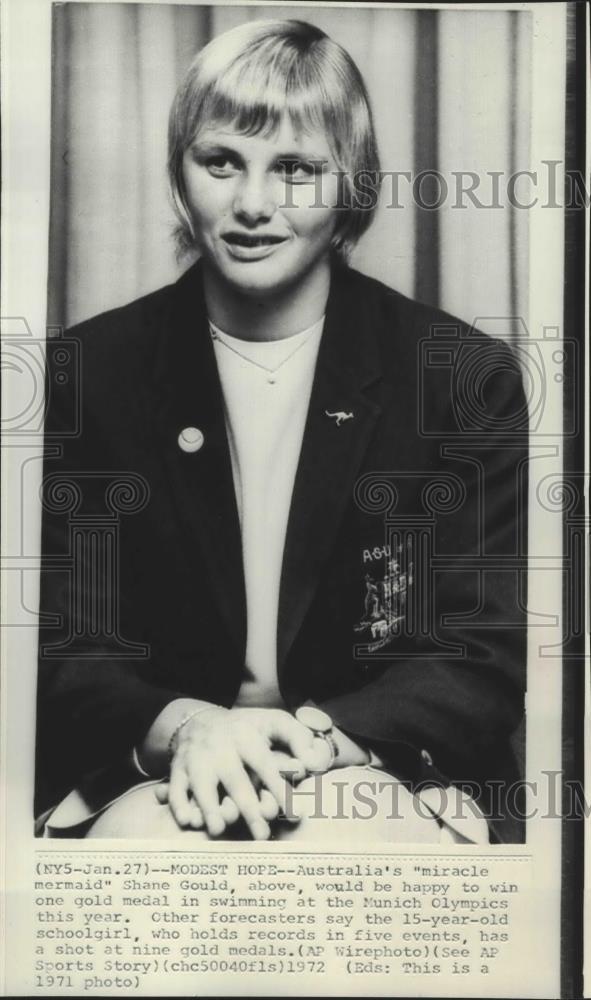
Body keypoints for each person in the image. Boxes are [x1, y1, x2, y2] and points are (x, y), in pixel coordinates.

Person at [36, 19, 528, 843]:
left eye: (295, 169)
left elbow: (478, 654)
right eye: (220, 160)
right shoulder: (89, 370)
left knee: (362, 853)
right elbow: (56, 645)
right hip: (156, 763)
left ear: (351, 188)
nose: (253, 204)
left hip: (376, 760)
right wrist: (190, 727)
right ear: (178, 174)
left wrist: (311, 741)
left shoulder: (459, 376)